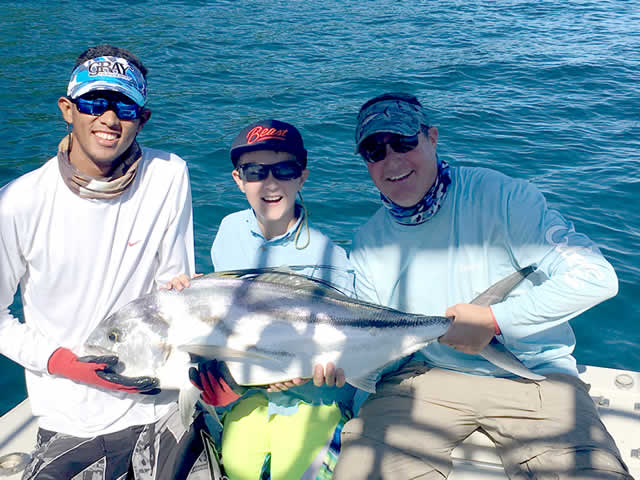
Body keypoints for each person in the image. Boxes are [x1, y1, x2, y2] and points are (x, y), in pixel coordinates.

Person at [332, 93, 632, 479]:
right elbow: (376, 350)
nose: (392, 161)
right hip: (419, 381)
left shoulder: (505, 197)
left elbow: (597, 277)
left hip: (531, 378)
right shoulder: (367, 242)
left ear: (432, 138)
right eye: (375, 151)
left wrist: (495, 319)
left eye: (404, 143)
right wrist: (339, 364)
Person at [0, 45, 210, 479]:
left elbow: (173, 286)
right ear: (67, 109)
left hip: (160, 401)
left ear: (143, 118)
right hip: (71, 417)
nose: (110, 119)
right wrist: (63, 362)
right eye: (95, 103)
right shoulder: (20, 202)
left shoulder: (169, 175)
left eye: (125, 106)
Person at [171, 119, 359, 480]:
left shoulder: (330, 257)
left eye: (284, 170)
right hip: (246, 392)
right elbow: (224, 313)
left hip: (313, 397)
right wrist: (192, 292)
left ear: (302, 177)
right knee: (242, 468)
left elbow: (343, 346)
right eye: (255, 171)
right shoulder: (228, 231)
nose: (270, 183)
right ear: (238, 180)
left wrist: (322, 370)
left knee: (298, 473)